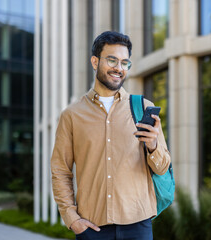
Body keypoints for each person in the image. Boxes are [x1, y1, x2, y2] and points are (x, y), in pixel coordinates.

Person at [51, 31, 171, 240]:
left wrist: (153, 146)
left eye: (125, 62)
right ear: (95, 61)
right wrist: (72, 219)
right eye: (112, 60)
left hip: (138, 224)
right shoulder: (71, 115)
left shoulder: (143, 108)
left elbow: (162, 168)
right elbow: (60, 170)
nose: (119, 68)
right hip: (92, 227)